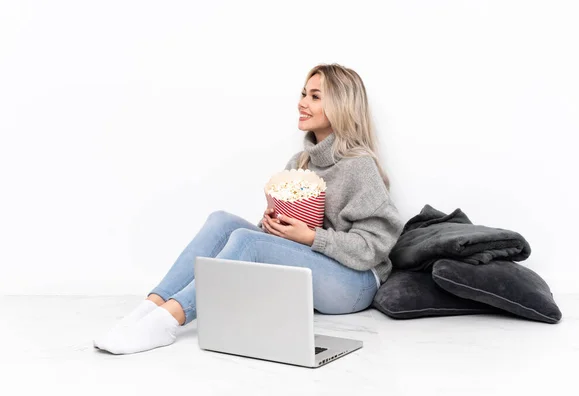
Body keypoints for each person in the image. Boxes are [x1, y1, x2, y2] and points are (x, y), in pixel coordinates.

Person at [93, 63, 403, 355]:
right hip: (315, 272)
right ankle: (150, 308)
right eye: (303, 94)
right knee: (222, 222)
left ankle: (169, 321)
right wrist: (272, 224)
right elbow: (283, 243)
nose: (302, 102)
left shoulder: (359, 166)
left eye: (315, 96)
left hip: (357, 283)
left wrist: (311, 237)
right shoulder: (300, 163)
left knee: (247, 240)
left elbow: (373, 249)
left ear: (341, 106)